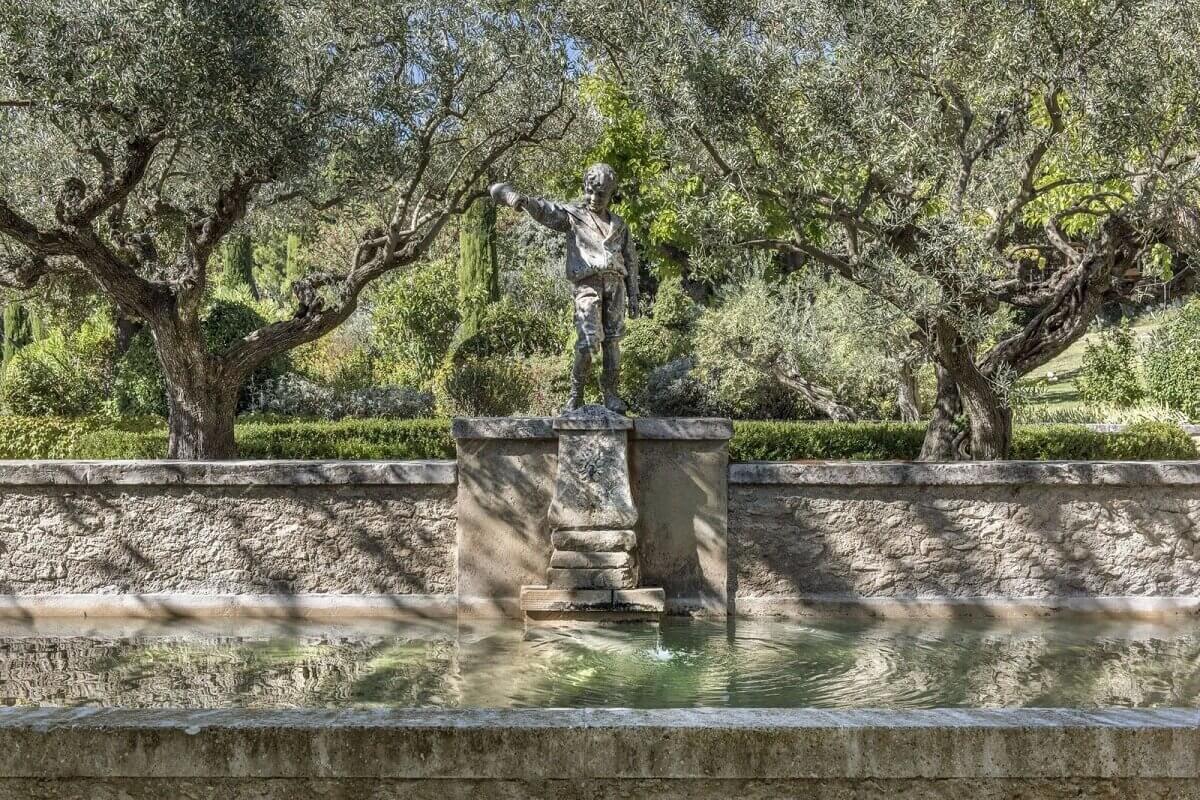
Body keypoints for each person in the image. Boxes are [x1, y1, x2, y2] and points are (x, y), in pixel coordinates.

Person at [489, 163, 640, 414]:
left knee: (613, 343)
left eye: (601, 194)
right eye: (590, 191)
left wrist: (634, 295)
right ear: (585, 187)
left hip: (615, 285)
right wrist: (521, 200)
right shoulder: (574, 216)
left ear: (611, 194)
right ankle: (575, 394)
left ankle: (611, 395)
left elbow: (631, 260)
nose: (593, 198)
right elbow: (547, 211)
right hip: (587, 284)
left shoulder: (620, 224)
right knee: (588, 341)